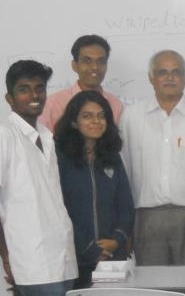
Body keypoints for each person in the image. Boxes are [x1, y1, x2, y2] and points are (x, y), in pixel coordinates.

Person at [0, 60, 77, 295]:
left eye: (40, 88)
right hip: (32, 262)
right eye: (24, 89)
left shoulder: (47, 136)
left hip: (63, 260)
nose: (34, 95)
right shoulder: (2, 137)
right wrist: (6, 256)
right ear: (9, 98)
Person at [120, 50, 185, 265]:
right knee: (154, 287)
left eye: (176, 72)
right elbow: (124, 172)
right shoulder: (132, 117)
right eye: (162, 72)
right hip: (147, 219)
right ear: (151, 78)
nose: (170, 77)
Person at [54, 90, 134, 288]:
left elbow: (125, 205)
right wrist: (87, 247)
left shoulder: (112, 157)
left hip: (113, 257)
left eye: (101, 116)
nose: (96, 121)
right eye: (87, 116)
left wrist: (116, 240)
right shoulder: (59, 159)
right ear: (74, 122)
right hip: (74, 258)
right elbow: (58, 208)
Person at [39, 34, 124, 131]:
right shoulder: (53, 104)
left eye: (101, 61)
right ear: (74, 65)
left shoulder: (116, 105)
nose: (94, 67)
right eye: (87, 61)